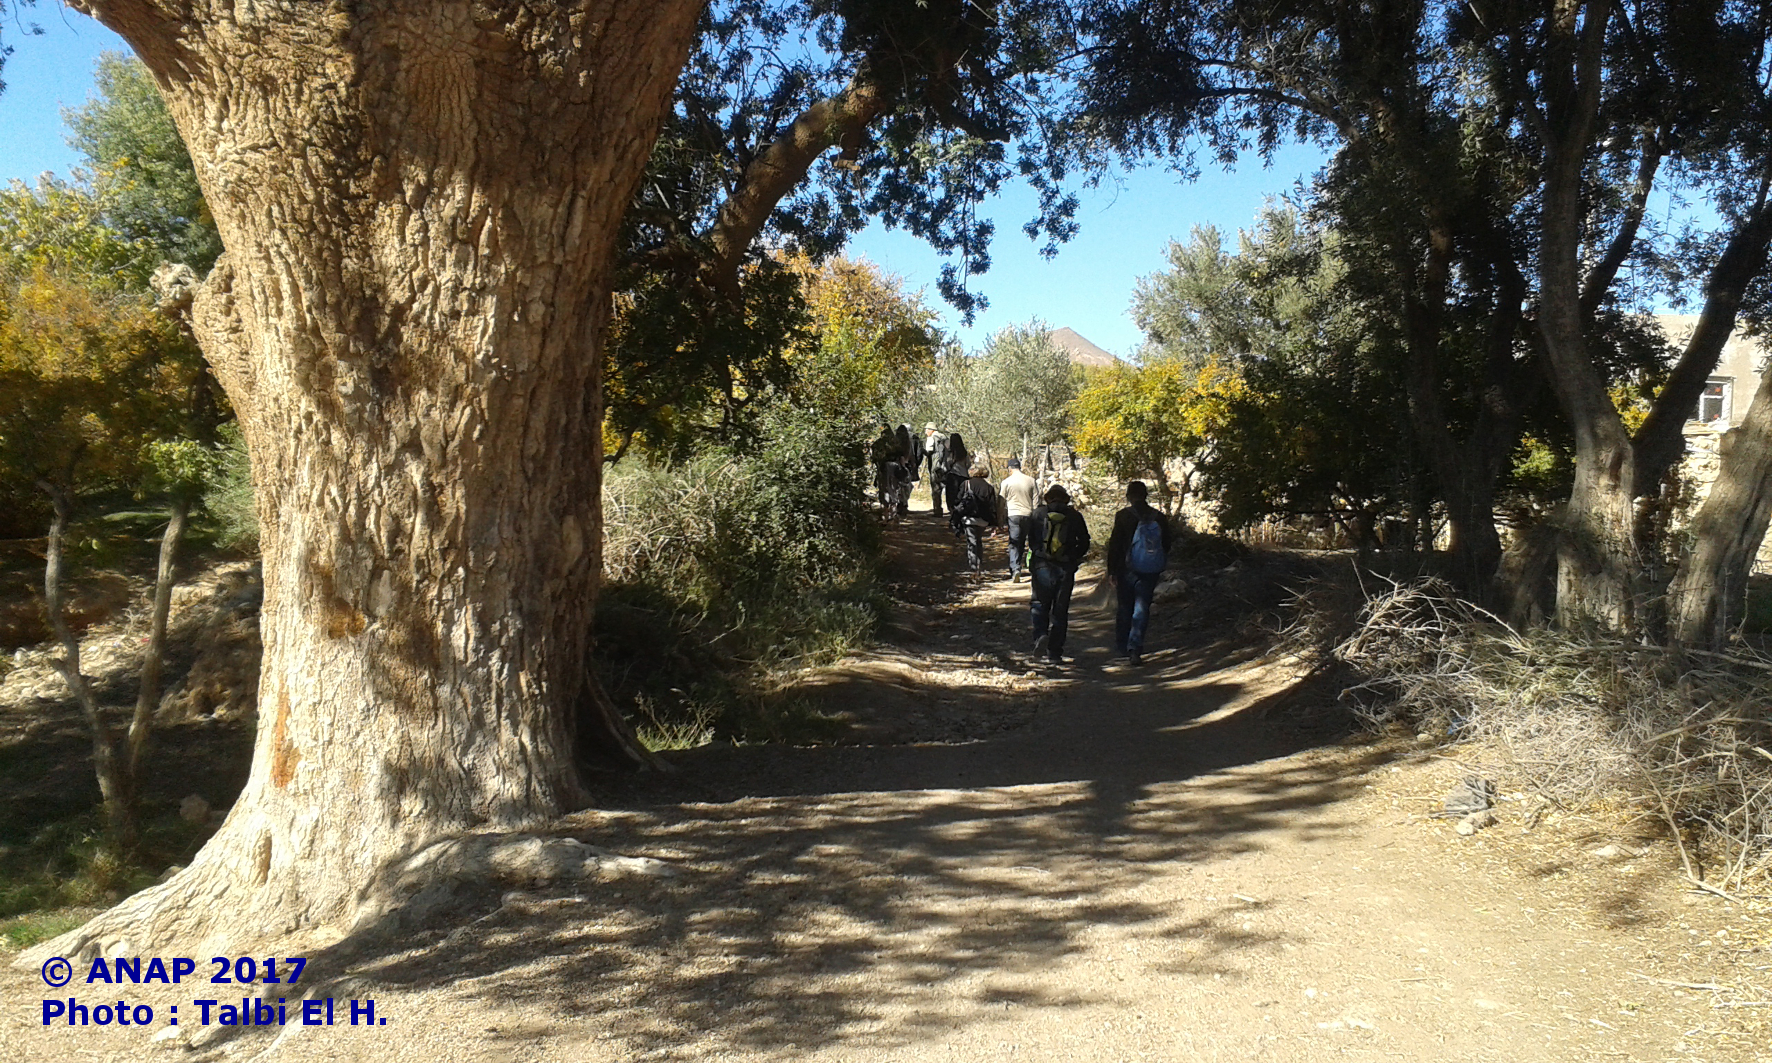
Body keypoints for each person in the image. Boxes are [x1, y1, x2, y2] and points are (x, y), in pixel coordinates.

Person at [1106, 480, 1174, 666]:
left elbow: (1115, 545)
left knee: (1125, 606)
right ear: (1146, 495)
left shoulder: (1123, 516)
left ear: (1129, 496)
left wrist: (1112, 570)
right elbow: (1167, 544)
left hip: (1126, 569)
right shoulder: (1159, 517)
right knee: (1142, 607)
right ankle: (1135, 647)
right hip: (1150, 570)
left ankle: (1122, 646)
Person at [1028, 484, 1091, 664]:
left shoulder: (1037, 514)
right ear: (1066, 499)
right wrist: (1072, 557)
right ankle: (1055, 653)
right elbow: (1084, 542)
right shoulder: (1074, 516)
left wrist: (1040, 554)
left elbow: (1031, 540)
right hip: (1065, 568)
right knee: (1060, 610)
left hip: (1042, 566)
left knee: (1039, 603)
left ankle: (1040, 634)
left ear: (1048, 498)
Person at [953, 463, 999, 575]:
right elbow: (992, 507)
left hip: (969, 519)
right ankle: (979, 564)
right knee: (978, 541)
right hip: (983, 521)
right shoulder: (989, 487)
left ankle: (974, 567)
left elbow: (958, 500)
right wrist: (994, 524)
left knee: (972, 542)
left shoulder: (966, 484)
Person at [999, 457, 1040, 582]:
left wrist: (1000, 518)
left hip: (1013, 514)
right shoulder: (1031, 480)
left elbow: (1001, 501)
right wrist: (1035, 516)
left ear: (1009, 469)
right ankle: (1034, 567)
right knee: (1029, 542)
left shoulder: (1006, 482)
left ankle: (1016, 569)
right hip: (1028, 514)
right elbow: (1036, 501)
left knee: (1014, 542)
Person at [943, 432, 971, 531]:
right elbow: (968, 465)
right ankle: (961, 519)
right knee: (962, 499)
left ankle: (953, 519)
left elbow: (946, 465)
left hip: (953, 477)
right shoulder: (964, 453)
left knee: (951, 499)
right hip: (964, 478)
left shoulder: (950, 453)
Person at [922, 424, 949, 517]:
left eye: (926, 430)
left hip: (935, 466)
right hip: (945, 466)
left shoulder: (931, 438)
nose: (925, 432)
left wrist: (921, 450)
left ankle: (937, 510)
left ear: (931, 430)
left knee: (936, 489)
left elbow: (928, 451)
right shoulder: (944, 437)